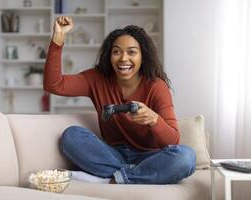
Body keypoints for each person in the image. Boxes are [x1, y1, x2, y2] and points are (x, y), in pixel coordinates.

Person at [44, 16, 196, 184]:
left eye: (132, 52)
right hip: (112, 154)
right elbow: (54, 85)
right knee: (72, 135)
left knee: (186, 157)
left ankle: (110, 179)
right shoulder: (97, 78)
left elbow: (173, 141)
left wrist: (154, 120)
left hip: (151, 158)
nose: (123, 58)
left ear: (142, 56)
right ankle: (132, 176)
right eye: (117, 51)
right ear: (109, 56)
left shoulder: (156, 86)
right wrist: (58, 39)